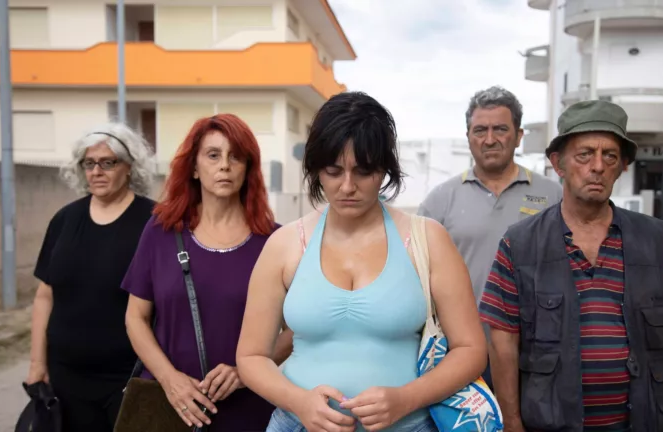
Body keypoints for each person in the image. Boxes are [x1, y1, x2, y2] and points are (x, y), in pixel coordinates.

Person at [236, 91, 487, 432]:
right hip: (296, 425)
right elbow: (251, 357)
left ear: (384, 170)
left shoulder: (427, 238)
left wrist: (406, 399)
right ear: (317, 169)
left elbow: (471, 349)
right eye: (334, 171)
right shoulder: (285, 244)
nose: (347, 186)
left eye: (363, 171)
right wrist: (299, 402)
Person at [481, 100, 663, 432]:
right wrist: (511, 423)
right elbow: (502, 342)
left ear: (622, 166)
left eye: (610, 156)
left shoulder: (650, 239)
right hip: (549, 424)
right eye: (585, 155)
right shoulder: (519, 244)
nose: (598, 166)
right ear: (558, 163)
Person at [121, 114, 292, 431]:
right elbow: (135, 318)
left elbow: (294, 331)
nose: (224, 165)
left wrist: (245, 372)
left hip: (249, 409)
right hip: (170, 406)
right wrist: (170, 380)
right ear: (194, 168)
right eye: (213, 155)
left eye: (235, 157)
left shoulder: (275, 241)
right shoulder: (161, 231)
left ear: (248, 169)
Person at [418, 86, 562, 387]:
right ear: (468, 136)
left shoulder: (553, 196)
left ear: (518, 136)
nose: (490, 139)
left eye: (500, 129)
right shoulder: (440, 201)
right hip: (458, 353)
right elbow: (417, 277)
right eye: (480, 130)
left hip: (537, 354)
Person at [27, 123, 157, 431]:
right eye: (89, 163)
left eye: (107, 162)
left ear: (129, 166)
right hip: (66, 376)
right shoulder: (64, 219)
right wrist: (37, 364)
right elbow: (45, 295)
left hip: (130, 376)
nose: (96, 171)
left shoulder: (155, 222)